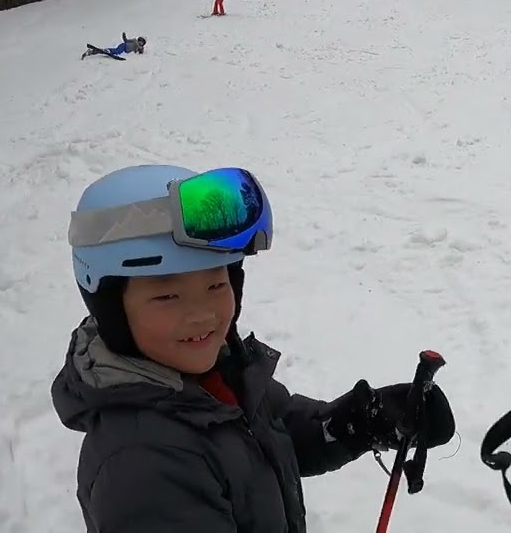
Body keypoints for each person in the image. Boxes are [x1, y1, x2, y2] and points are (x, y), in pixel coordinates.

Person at [51, 164, 456, 532]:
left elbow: (277, 430)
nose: (202, 315)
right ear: (111, 308)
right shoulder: (143, 467)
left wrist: (360, 421)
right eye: (167, 296)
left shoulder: (219, 375)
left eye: (216, 285)